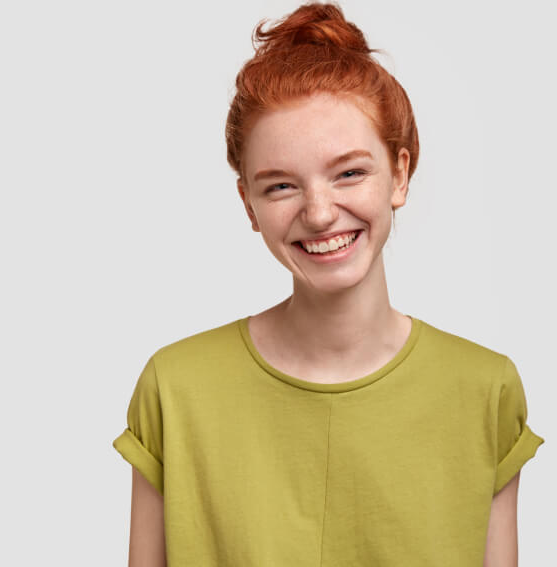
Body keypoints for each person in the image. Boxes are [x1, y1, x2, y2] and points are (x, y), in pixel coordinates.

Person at [112, 2, 545, 566]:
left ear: (402, 172)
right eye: (281, 186)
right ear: (249, 205)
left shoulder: (486, 391)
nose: (319, 214)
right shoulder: (175, 389)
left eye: (349, 173)